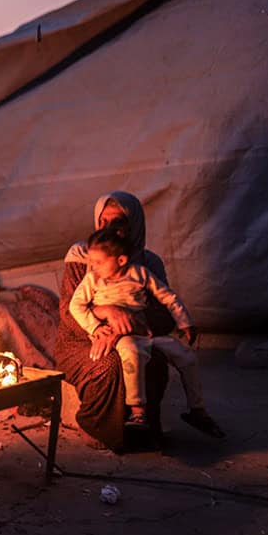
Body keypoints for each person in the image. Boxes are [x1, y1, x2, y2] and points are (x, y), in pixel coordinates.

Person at [70, 227, 224, 437]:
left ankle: (197, 410)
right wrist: (95, 327)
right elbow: (75, 305)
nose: (93, 267)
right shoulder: (93, 280)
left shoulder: (140, 273)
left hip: (146, 332)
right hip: (120, 336)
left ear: (121, 260)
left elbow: (167, 297)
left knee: (186, 356)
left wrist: (185, 322)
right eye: (92, 262)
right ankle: (137, 411)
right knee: (132, 353)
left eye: (99, 262)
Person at [53, 191, 173, 452]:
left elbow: (166, 316)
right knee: (108, 364)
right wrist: (105, 314)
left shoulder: (149, 263)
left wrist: (126, 325)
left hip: (136, 335)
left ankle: (142, 426)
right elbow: (67, 311)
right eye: (103, 222)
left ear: (133, 225)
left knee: (152, 360)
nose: (109, 229)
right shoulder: (82, 255)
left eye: (118, 222)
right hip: (79, 341)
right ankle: (99, 427)